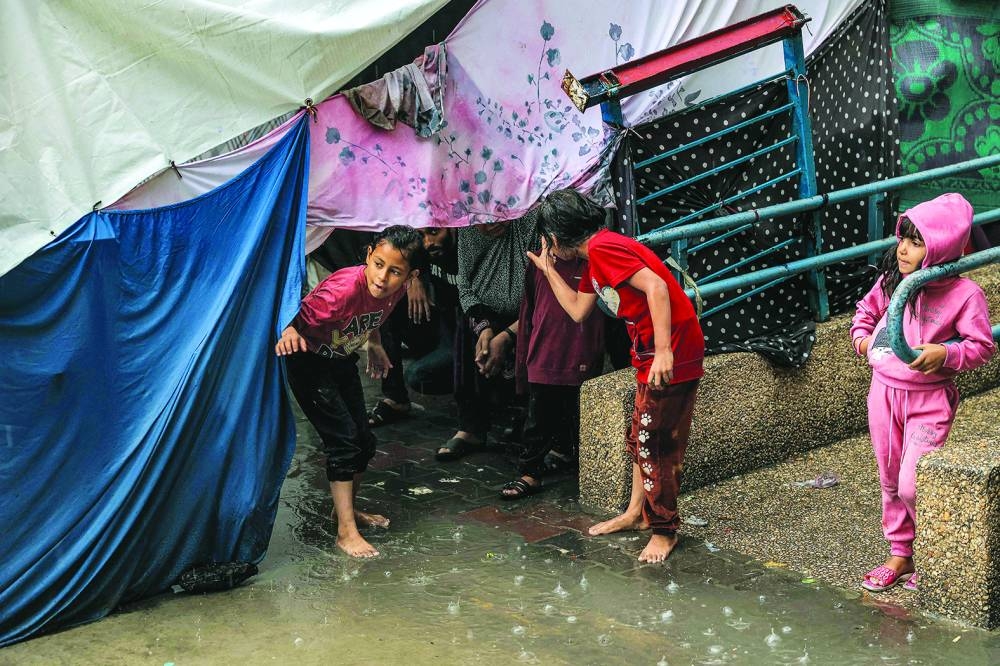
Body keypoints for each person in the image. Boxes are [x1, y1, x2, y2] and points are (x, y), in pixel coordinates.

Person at [526, 188, 705, 563]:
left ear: (555, 238)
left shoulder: (605, 249)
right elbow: (577, 310)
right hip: (650, 352)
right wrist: (547, 270)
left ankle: (664, 530)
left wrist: (665, 352)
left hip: (668, 350)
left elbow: (656, 287)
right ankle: (637, 514)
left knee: (654, 443)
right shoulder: (596, 256)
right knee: (641, 433)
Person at [851, 193, 995, 592]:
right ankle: (900, 553)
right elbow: (863, 314)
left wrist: (945, 353)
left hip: (929, 400)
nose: (902, 249)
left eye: (916, 243)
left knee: (915, 482)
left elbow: (981, 346)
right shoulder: (891, 282)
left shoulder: (965, 295)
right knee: (891, 479)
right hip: (883, 393)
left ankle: (932, 550)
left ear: (942, 248)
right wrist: (863, 342)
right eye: (903, 239)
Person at [276, 225, 427, 558]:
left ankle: (343, 513)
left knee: (363, 442)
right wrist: (286, 330)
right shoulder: (340, 293)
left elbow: (374, 314)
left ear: (410, 276)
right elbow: (288, 312)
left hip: (340, 359)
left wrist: (373, 344)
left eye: (395, 272)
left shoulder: (395, 291)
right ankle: (346, 532)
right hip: (309, 362)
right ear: (369, 255)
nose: (382, 277)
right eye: (378, 265)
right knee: (343, 442)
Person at [499, 243, 605, 500]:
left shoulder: (592, 262)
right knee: (538, 418)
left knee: (581, 417)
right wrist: (524, 359)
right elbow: (529, 311)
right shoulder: (538, 262)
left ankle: (584, 469)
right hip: (544, 350)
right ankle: (530, 472)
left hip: (582, 352)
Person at [436, 217, 537, 461]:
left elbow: (543, 295)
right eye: (485, 217)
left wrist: (507, 335)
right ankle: (471, 427)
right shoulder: (468, 228)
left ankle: (528, 424)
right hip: (485, 312)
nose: (492, 222)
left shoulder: (531, 221)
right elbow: (466, 288)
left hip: (530, 311)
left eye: (500, 213)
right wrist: (484, 328)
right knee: (466, 329)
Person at [368, 228, 459, 426]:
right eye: (422, 235)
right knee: (390, 301)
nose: (428, 242)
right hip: (438, 327)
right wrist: (413, 279)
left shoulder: (465, 246)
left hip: (465, 334)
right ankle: (395, 399)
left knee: (419, 376)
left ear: (452, 227)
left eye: (434, 232)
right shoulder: (424, 249)